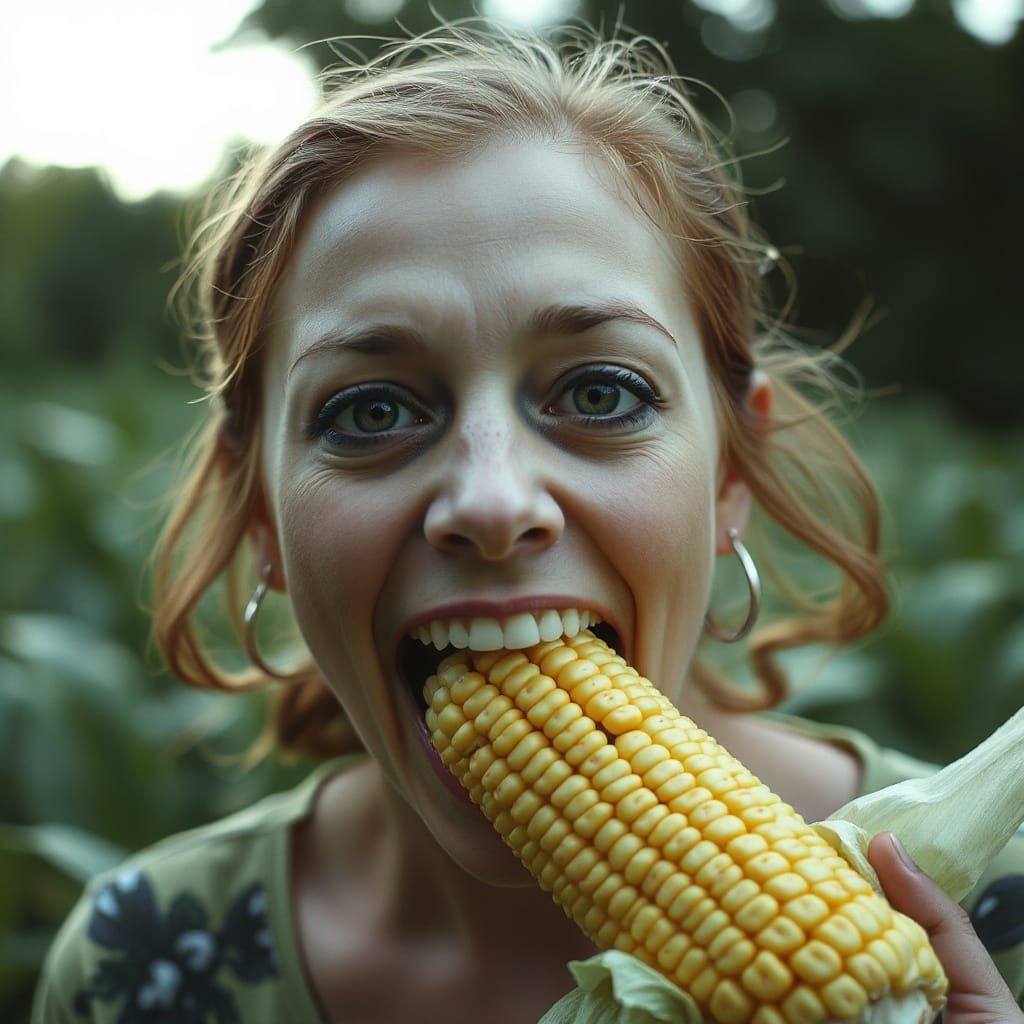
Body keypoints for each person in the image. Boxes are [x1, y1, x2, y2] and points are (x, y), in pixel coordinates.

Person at [32, 24, 1022, 1024]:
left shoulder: (995, 921)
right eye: (370, 411)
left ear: (732, 470)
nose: (494, 503)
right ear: (260, 518)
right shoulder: (140, 970)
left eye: (600, 392)